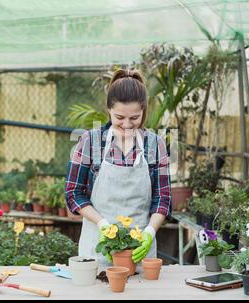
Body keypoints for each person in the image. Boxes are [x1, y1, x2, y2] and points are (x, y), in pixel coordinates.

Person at [65, 69, 171, 265]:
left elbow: (162, 198)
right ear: (109, 111)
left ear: (144, 111)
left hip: (139, 252)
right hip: (97, 248)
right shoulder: (91, 141)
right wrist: (102, 224)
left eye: (135, 118)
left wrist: (149, 232)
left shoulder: (155, 144)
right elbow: (73, 193)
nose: (128, 124)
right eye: (119, 117)